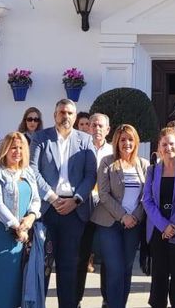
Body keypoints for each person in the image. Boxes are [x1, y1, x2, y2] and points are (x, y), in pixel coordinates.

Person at [30, 98, 97, 308]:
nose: (65, 116)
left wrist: (76, 200)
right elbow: (32, 170)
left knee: (69, 267)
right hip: (48, 209)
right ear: (54, 115)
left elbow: (90, 175)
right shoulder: (41, 138)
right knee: (43, 265)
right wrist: (51, 196)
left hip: (74, 212)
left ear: (75, 117)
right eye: (61, 112)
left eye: (69, 113)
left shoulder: (85, 141)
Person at [93, 124, 148, 308]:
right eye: (123, 139)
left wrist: (135, 217)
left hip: (134, 224)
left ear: (136, 141)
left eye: (130, 139)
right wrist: (123, 215)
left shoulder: (144, 164)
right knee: (115, 269)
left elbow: (147, 197)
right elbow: (103, 194)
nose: (126, 143)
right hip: (110, 223)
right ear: (116, 142)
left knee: (125, 269)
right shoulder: (107, 162)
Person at [0, 132, 41, 308]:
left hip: (23, 237)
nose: (17, 151)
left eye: (21, 147)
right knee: (1, 284)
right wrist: (17, 226)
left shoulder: (29, 172)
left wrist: (31, 218)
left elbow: (36, 200)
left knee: (20, 285)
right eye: (13, 147)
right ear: (5, 150)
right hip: (0, 235)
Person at [143, 127, 175, 308]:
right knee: (159, 276)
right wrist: (164, 226)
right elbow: (147, 200)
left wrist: (173, 225)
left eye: (172, 144)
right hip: (157, 231)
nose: (168, 147)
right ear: (159, 147)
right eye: (164, 144)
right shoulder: (152, 170)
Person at [77, 112, 112, 304]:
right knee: (81, 257)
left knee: (107, 257)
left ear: (107, 129)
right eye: (93, 125)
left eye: (101, 126)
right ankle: (76, 299)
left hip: (106, 210)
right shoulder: (79, 149)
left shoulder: (113, 151)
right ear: (88, 127)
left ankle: (107, 300)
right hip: (83, 207)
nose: (97, 129)